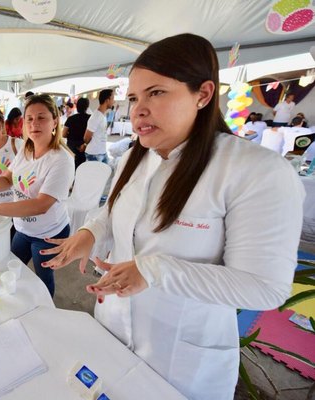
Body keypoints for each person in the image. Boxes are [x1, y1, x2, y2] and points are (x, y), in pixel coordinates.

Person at [41, 34, 304, 399]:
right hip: (113, 332)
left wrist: (152, 269)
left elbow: (265, 286)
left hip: (184, 362)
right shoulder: (135, 157)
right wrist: (89, 233)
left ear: (203, 94)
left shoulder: (256, 171)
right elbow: (113, 212)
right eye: (134, 98)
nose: (138, 110)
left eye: (157, 93)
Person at [0, 94, 74, 297]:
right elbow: (8, 179)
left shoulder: (61, 159)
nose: (34, 124)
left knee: (42, 280)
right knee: (10, 267)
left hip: (49, 233)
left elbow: (41, 205)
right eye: (29, 118)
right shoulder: (26, 149)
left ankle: (46, 315)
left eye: (41, 118)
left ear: (54, 121)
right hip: (22, 228)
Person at [84, 88, 114, 163]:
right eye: (113, 99)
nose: (114, 101)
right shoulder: (96, 116)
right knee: (95, 174)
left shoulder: (102, 115)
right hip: (94, 154)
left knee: (108, 172)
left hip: (102, 152)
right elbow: (86, 138)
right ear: (107, 100)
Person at [63, 97, 90, 170]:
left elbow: (63, 134)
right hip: (84, 146)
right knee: (82, 168)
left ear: (77, 106)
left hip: (71, 146)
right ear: (87, 107)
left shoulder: (70, 118)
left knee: (71, 167)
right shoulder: (90, 119)